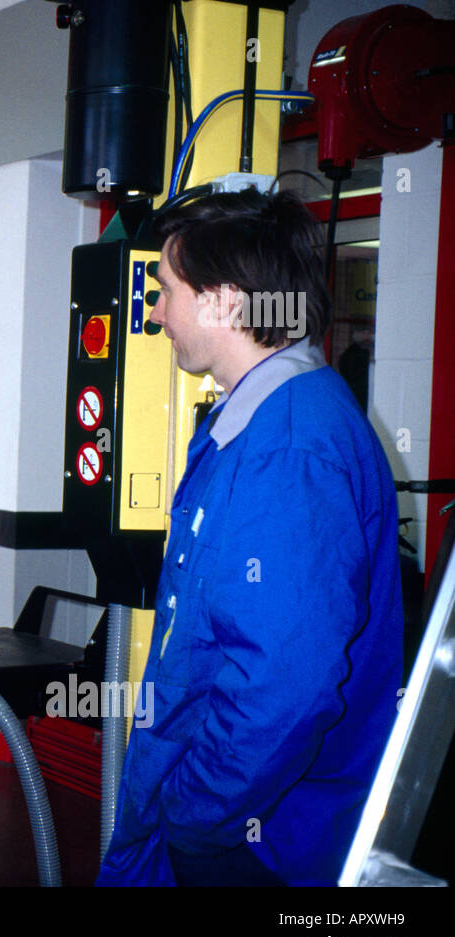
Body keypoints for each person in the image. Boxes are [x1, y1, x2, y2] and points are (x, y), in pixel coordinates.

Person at [98, 190, 402, 886]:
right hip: (241, 825)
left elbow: (282, 686)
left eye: (166, 290)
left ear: (225, 301)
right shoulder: (258, 423)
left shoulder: (289, 448)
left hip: (259, 842)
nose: (155, 312)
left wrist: (193, 816)